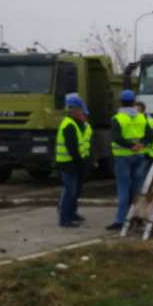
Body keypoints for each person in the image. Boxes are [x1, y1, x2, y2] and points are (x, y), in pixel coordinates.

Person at [107, 90, 150, 231]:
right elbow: (150, 135)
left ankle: (121, 220)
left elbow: (116, 138)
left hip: (123, 157)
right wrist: (140, 144)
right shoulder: (142, 118)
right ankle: (137, 218)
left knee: (123, 188)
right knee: (137, 189)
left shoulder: (117, 118)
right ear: (133, 101)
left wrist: (130, 146)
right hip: (139, 156)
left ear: (120, 102)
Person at [55, 94, 88, 228]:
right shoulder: (70, 125)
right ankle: (65, 219)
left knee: (71, 191)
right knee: (70, 192)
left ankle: (69, 216)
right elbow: (72, 148)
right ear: (73, 110)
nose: (81, 112)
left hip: (69, 163)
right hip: (68, 164)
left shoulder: (72, 123)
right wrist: (80, 163)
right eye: (79, 109)